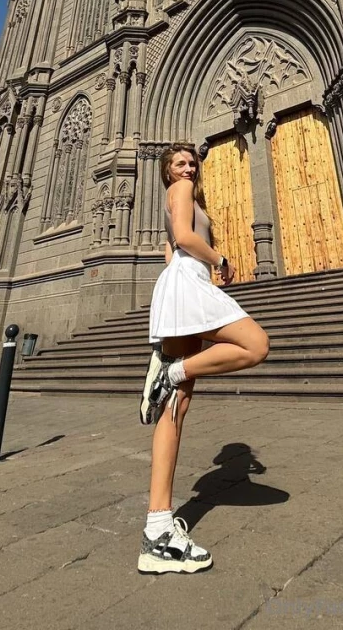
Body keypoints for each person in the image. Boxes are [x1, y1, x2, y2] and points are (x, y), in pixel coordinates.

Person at [137, 142, 270, 574]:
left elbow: (170, 251)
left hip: (184, 285)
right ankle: (171, 370)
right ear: (167, 170)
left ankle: (158, 527)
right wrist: (221, 259)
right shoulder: (179, 193)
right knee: (255, 345)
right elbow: (183, 238)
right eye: (179, 162)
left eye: (192, 161)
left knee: (174, 407)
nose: (189, 166)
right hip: (191, 287)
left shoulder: (184, 196)